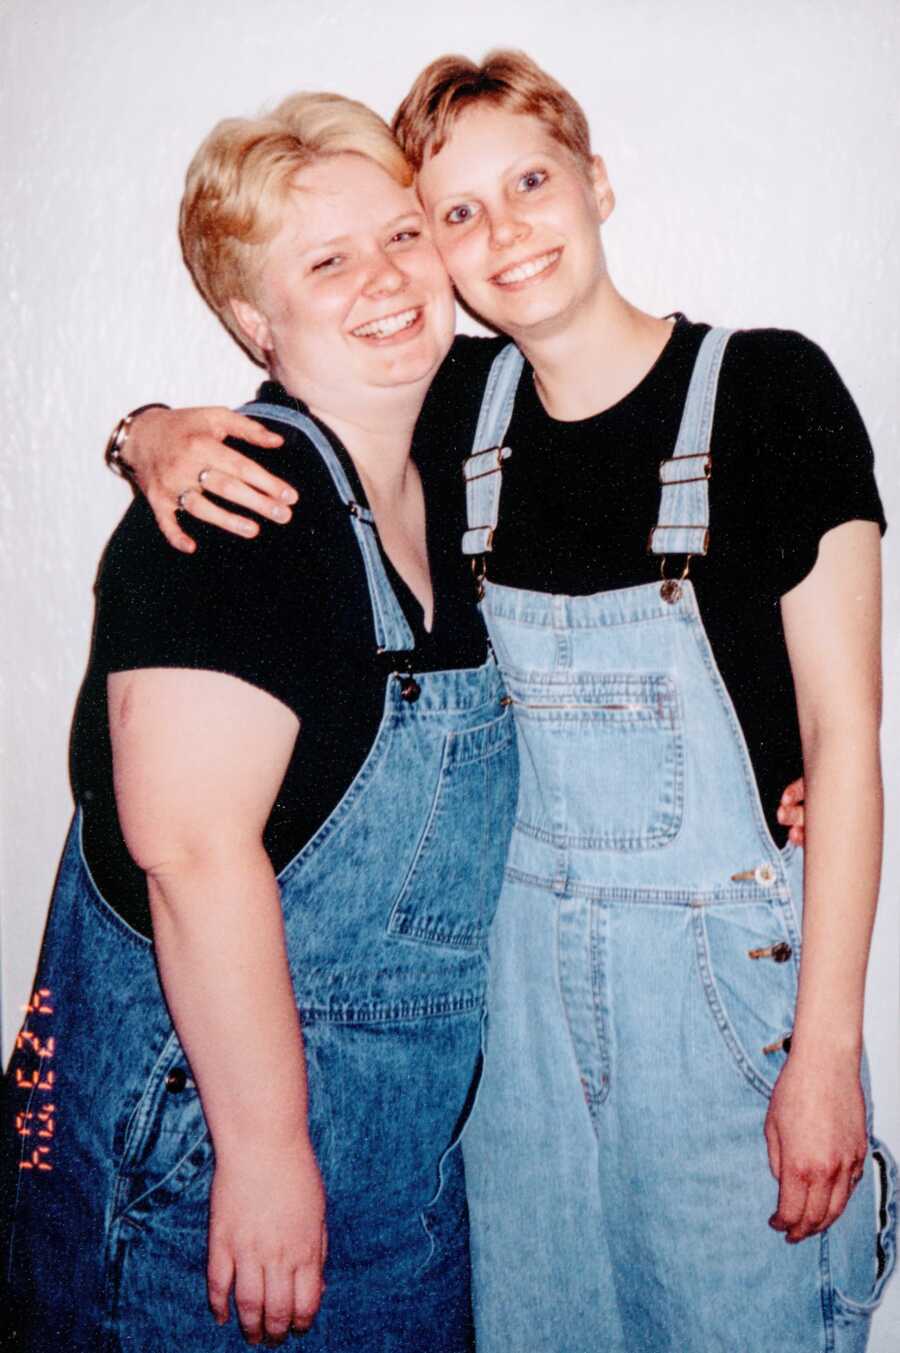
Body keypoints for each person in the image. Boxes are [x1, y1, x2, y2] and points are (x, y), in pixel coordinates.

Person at [109, 51, 894, 1351]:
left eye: (530, 180)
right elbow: (276, 419)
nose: (503, 230)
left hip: (721, 1031)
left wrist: (826, 1058)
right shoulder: (448, 410)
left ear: (596, 179)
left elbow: (847, 748)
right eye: (457, 211)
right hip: (508, 1048)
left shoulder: (772, 392)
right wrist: (149, 429)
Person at [2, 91, 519, 1351]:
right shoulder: (235, 511)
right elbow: (188, 856)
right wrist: (269, 1156)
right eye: (326, 262)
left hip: (397, 1171)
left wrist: (780, 751)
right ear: (253, 320)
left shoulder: (455, 449)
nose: (387, 281)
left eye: (402, 236)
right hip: (201, 1167)